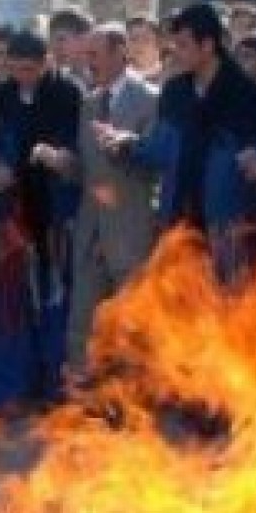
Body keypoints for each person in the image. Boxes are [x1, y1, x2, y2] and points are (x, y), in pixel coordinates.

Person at [116, 3, 256, 283]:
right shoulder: (174, 91)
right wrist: (128, 143)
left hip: (227, 225)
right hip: (179, 219)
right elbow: (162, 149)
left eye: (183, 45)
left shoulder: (244, 93)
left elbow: (252, 166)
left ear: (207, 44)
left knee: (228, 307)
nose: (176, 53)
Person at [0, 30, 82, 407]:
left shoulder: (67, 94)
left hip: (56, 211)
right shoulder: (0, 95)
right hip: (15, 212)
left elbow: (77, 151)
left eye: (30, 69)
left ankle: (55, 384)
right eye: (16, 68)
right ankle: (13, 388)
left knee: (57, 299)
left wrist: (57, 157)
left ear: (46, 64)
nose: (22, 76)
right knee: (13, 300)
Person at [67, 23, 159, 371]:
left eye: (95, 54)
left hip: (131, 231)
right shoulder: (89, 103)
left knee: (133, 326)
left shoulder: (151, 100)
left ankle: (133, 402)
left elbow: (156, 165)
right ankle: (87, 397)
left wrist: (126, 146)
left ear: (121, 51)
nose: (89, 62)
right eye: (86, 54)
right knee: (84, 319)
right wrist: (63, 162)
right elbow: (88, 170)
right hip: (92, 231)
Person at [126, 13, 164, 82]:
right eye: (133, 39)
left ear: (158, 43)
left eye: (146, 39)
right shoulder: (119, 78)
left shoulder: (170, 76)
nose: (139, 44)